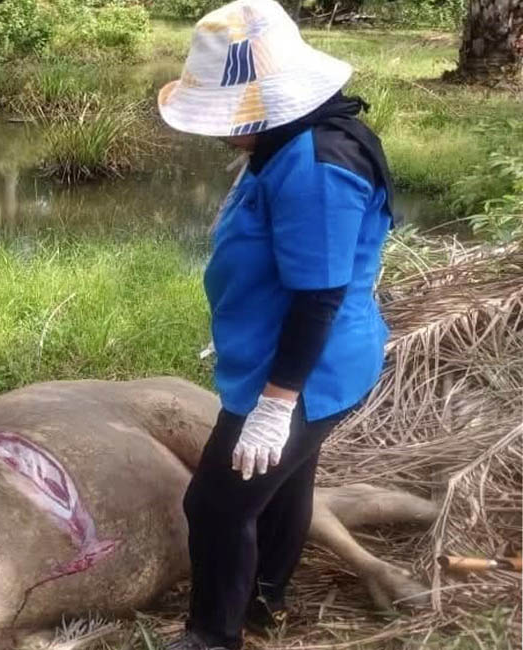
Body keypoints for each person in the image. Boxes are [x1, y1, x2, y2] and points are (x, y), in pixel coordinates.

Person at [156, 0, 397, 648]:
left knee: (216, 504)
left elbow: (318, 296)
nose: (220, 132)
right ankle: (265, 599)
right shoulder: (289, 141)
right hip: (295, 357)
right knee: (285, 484)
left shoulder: (318, 167)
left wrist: (276, 404)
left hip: (306, 371)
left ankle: (213, 634)